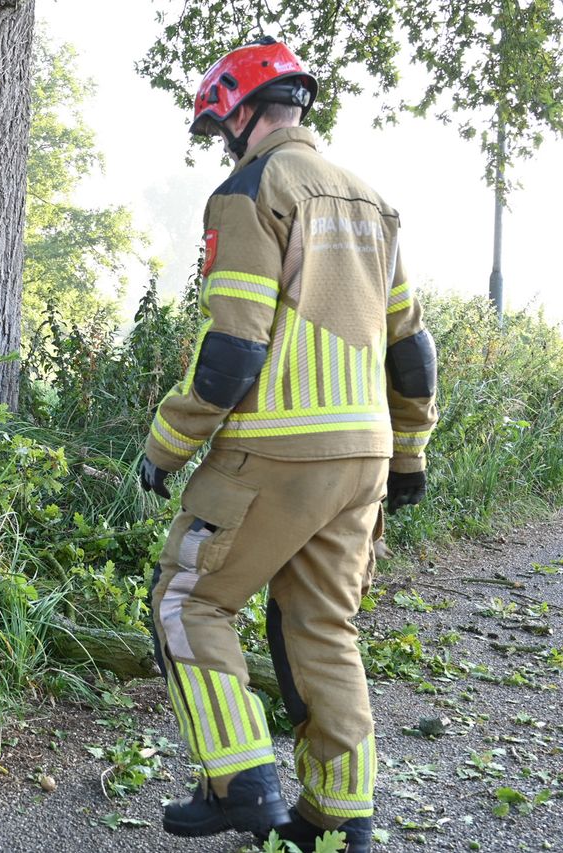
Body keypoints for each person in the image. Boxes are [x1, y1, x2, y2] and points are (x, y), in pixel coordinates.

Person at [137, 37, 438, 852]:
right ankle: (338, 818)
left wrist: (166, 446)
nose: (222, 139)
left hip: (275, 448)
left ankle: (241, 781)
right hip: (364, 457)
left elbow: (233, 348)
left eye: (219, 122)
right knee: (322, 628)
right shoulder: (373, 200)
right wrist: (408, 451)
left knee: (188, 600)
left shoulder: (250, 189)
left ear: (240, 109)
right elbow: (413, 349)